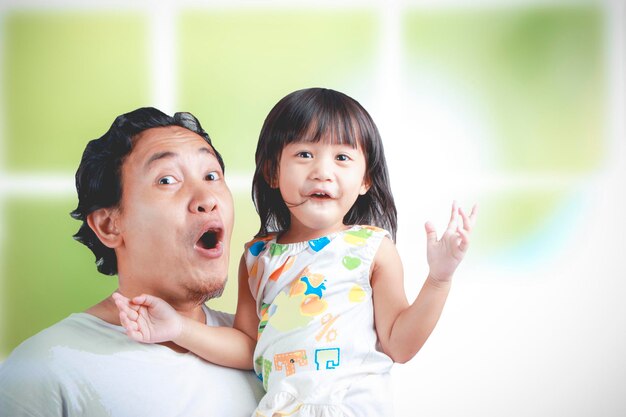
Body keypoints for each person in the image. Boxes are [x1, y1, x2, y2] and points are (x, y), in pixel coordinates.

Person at [113, 89, 478, 416]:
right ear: (273, 171)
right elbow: (247, 348)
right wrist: (176, 328)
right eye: (304, 154)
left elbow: (400, 345)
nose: (322, 171)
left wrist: (439, 278)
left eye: (342, 158)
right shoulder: (257, 258)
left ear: (366, 179)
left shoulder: (372, 248)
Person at [0, 107, 264, 416]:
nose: (207, 198)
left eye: (211, 175)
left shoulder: (267, 352)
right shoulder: (44, 368)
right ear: (109, 226)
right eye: (167, 180)